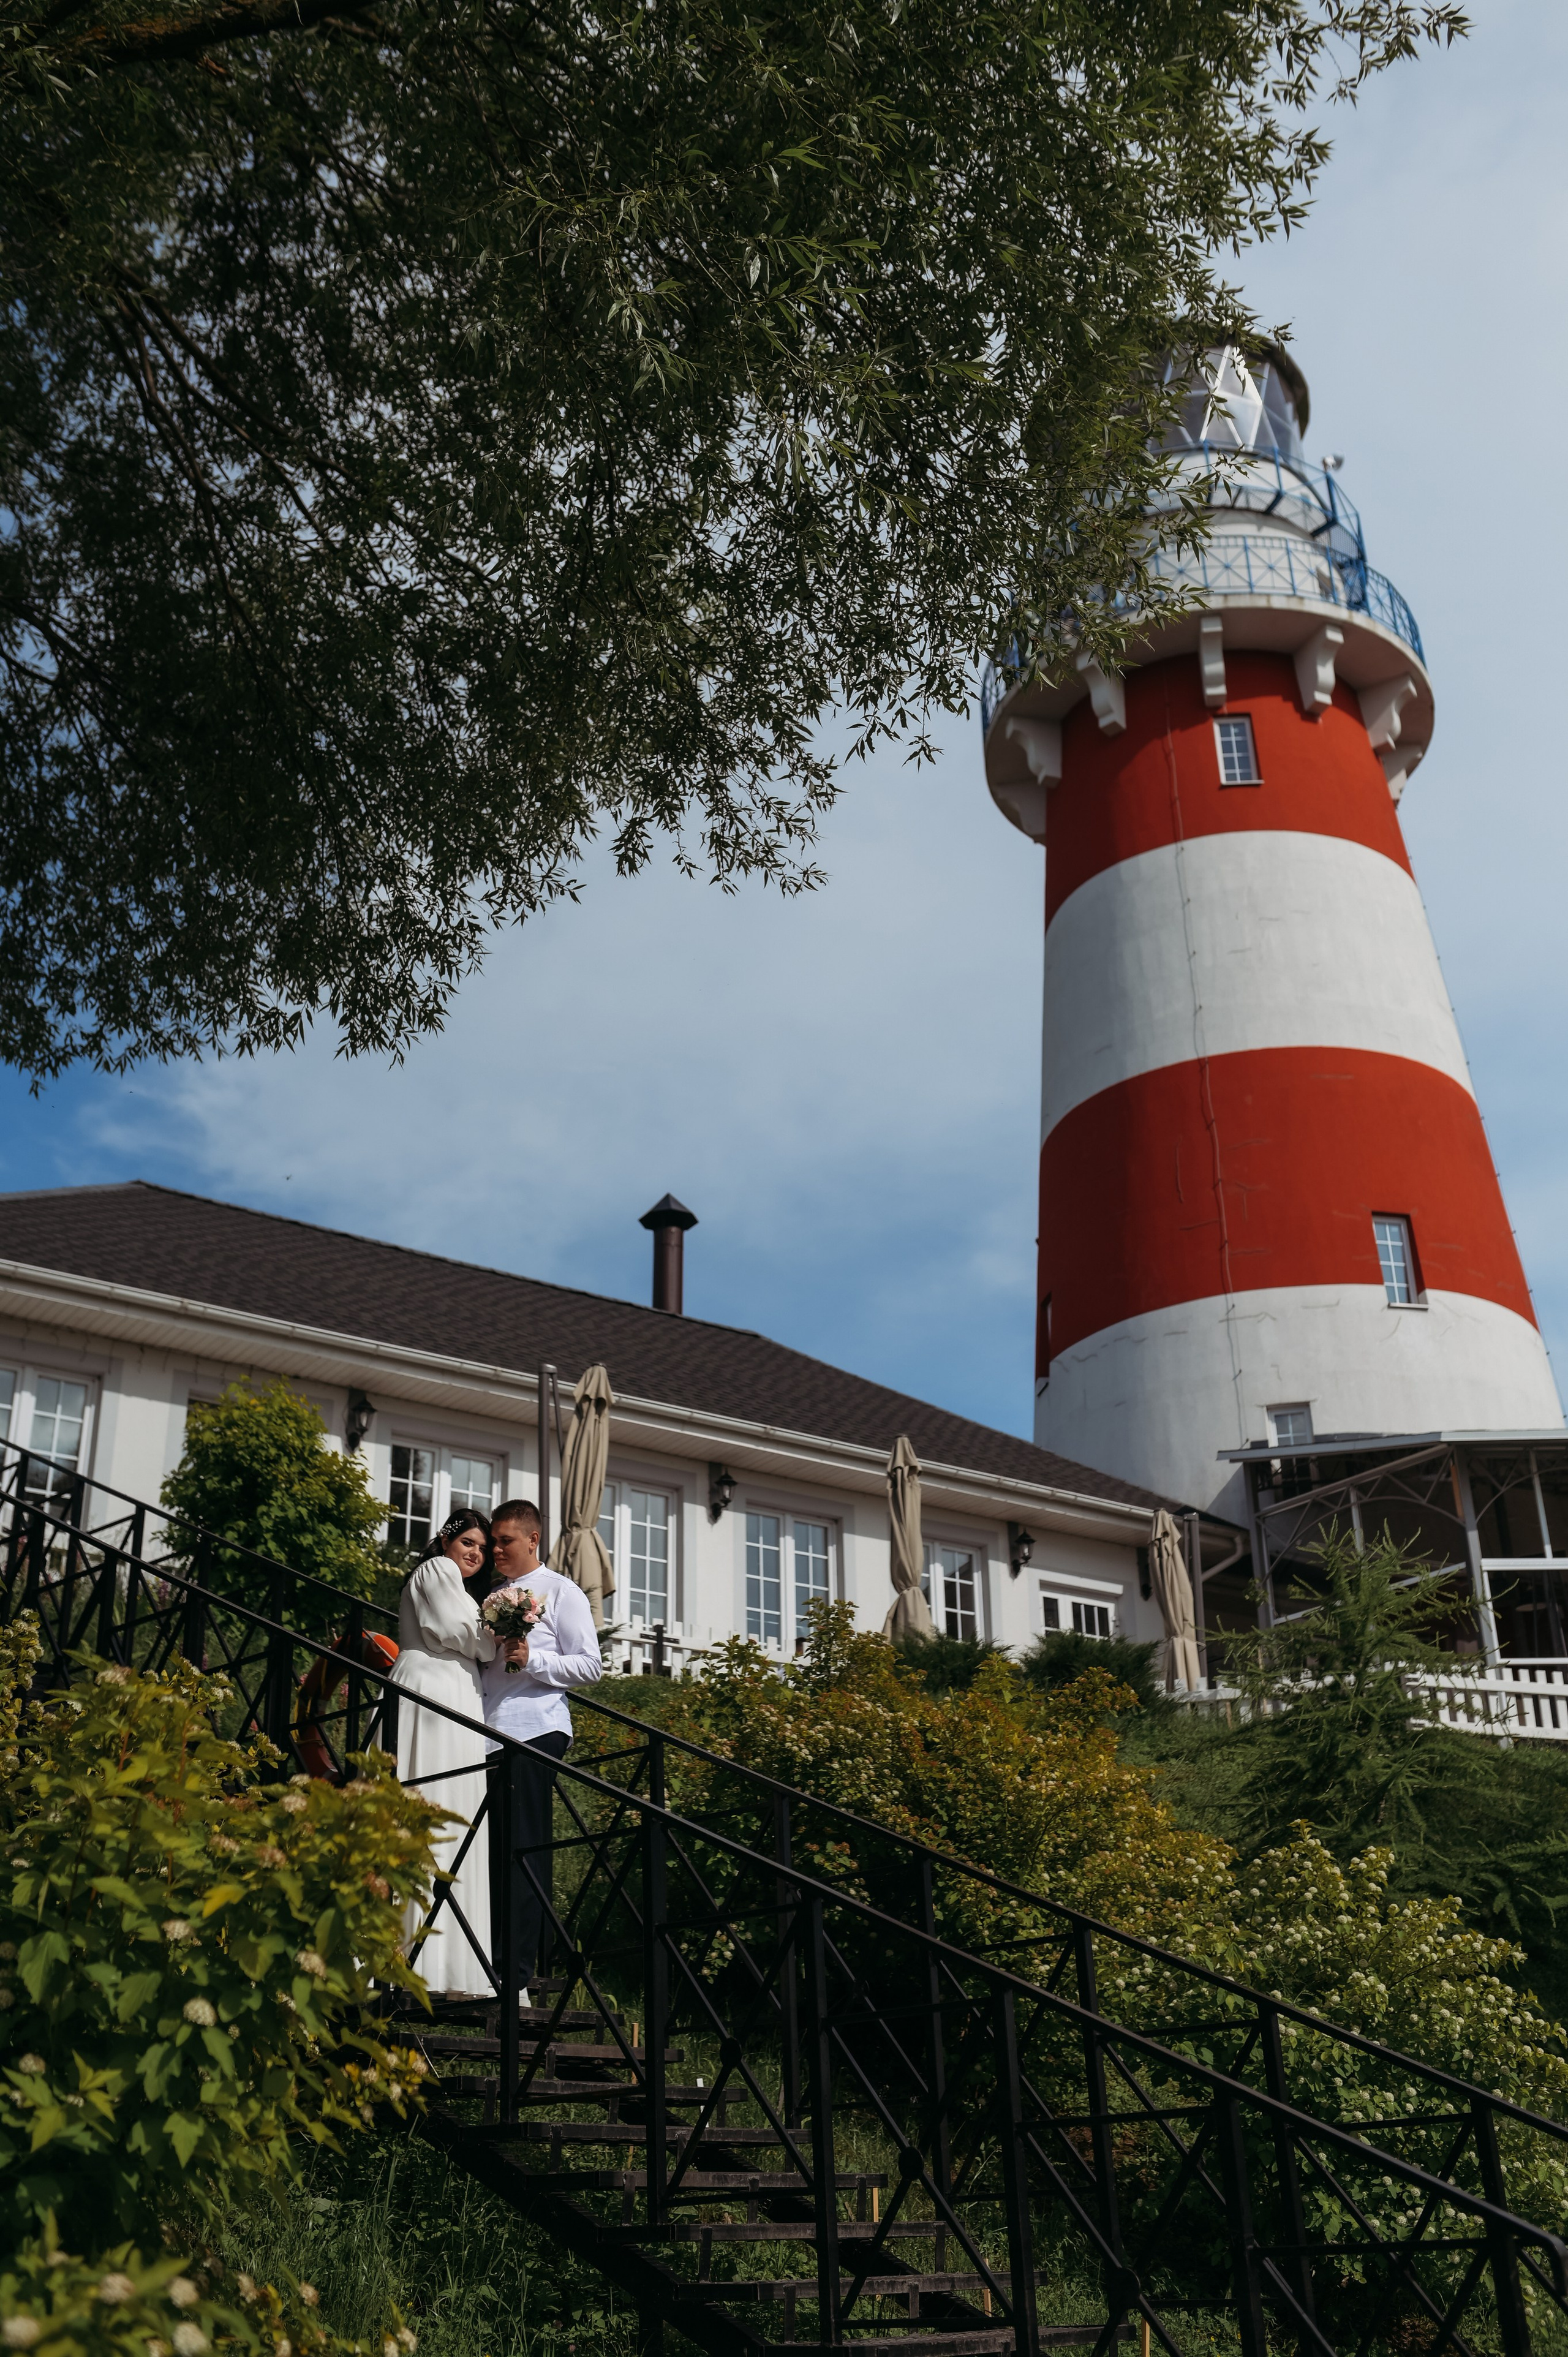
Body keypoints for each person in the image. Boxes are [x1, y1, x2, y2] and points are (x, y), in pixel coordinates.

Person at [481, 1499, 603, 2005]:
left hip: (534, 1730)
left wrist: (535, 1660)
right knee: (489, 1854)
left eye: (505, 1541)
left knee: (523, 1851)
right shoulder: (488, 1596)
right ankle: (486, 1961)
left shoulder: (562, 1592)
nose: (496, 1550)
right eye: (492, 1542)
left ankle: (519, 1976)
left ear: (533, 1540)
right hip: (486, 1731)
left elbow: (591, 1666)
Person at [391, 1507, 497, 1998]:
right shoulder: (436, 1570)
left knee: (453, 1816)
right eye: (468, 1542)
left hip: (455, 1699)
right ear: (446, 1539)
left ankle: (449, 1963)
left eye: (482, 1547)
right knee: (429, 1805)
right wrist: (496, 1638)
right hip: (431, 1697)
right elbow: (454, 1627)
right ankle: (412, 1954)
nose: (475, 1552)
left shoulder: (458, 1581)